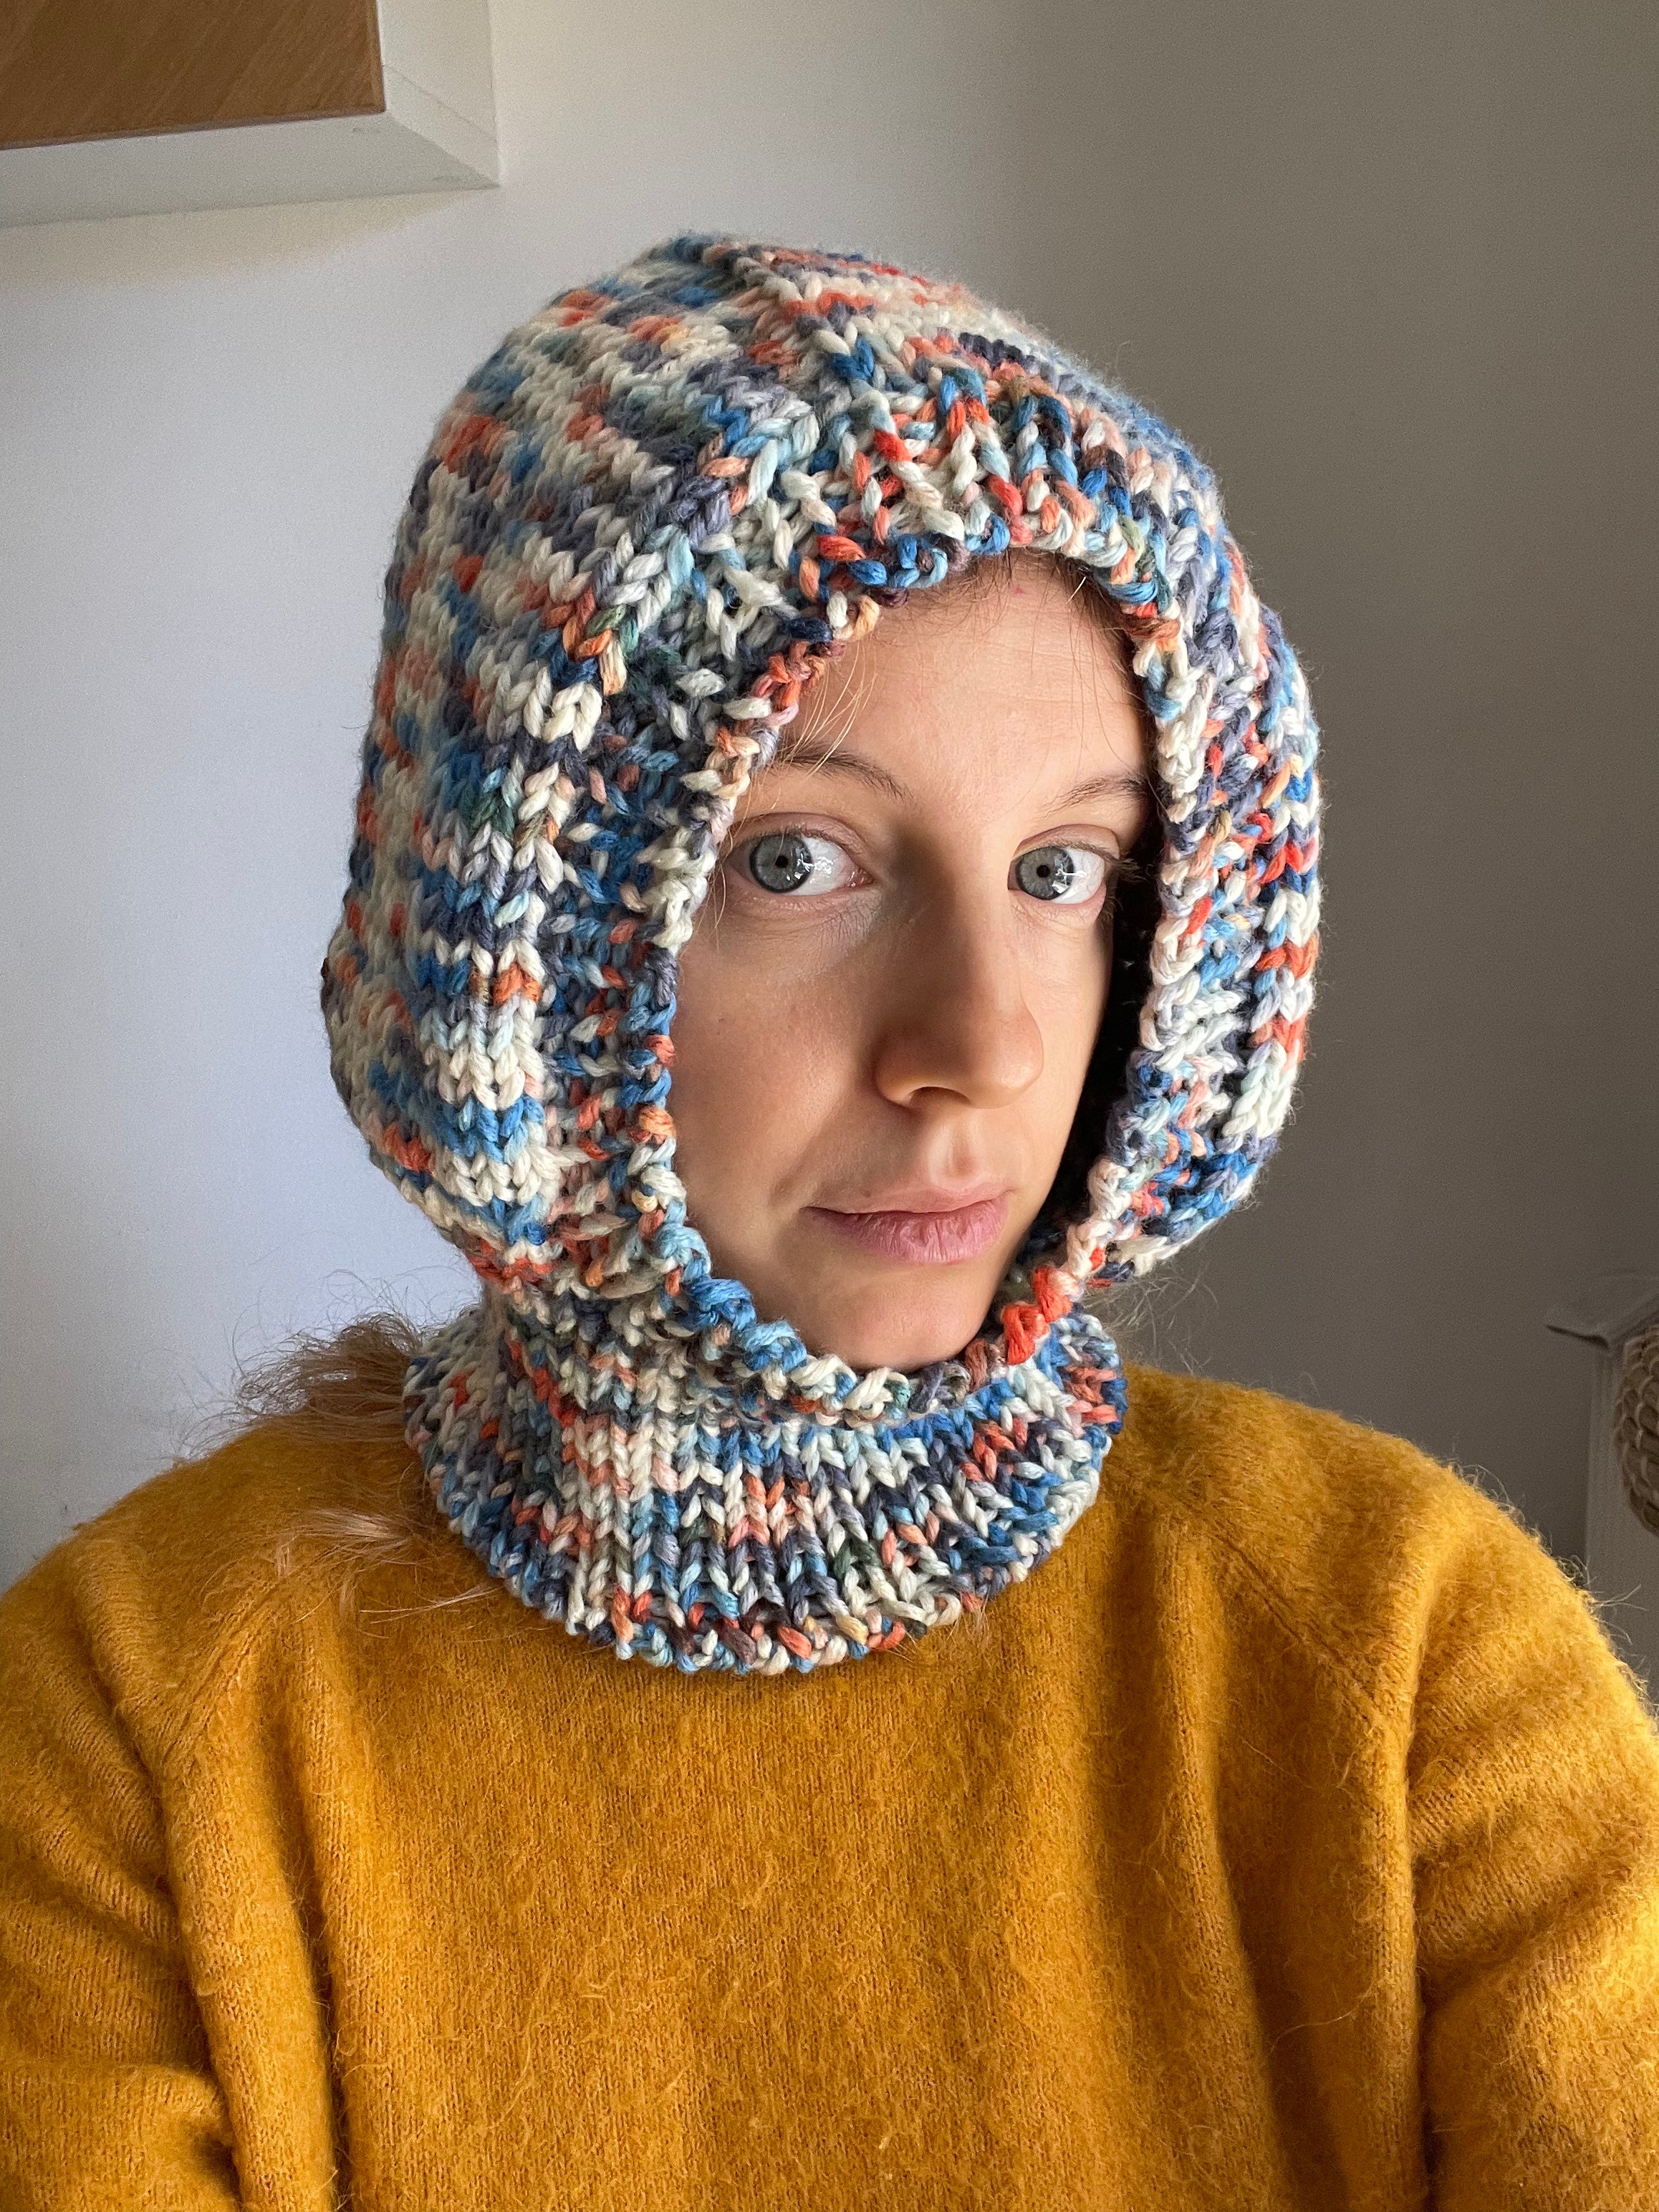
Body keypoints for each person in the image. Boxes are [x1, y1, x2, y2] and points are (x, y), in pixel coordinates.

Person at [1, 234, 1655, 2209]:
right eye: (796, 860)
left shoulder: (1409, 1654)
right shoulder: (136, 1714)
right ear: (516, 938)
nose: (981, 1045)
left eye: (1066, 869)